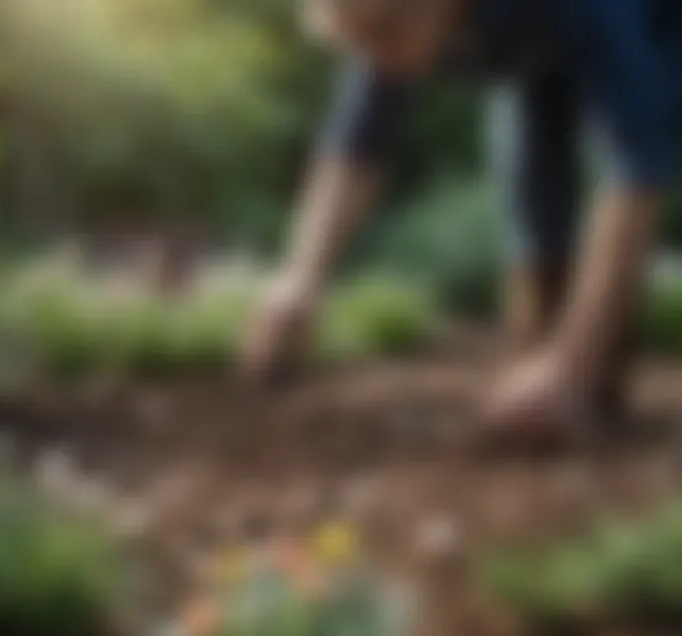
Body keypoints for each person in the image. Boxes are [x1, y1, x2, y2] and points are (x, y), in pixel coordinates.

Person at [241, 0, 681, 445]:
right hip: (533, 43)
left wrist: (572, 364)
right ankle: (544, 377)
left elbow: (635, 176)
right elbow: (357, 143)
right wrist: (298, 282)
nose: (376, 61)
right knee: (528, 170)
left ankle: (583, 377)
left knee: (598, 146)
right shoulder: (394, 20)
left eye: (384, 42)